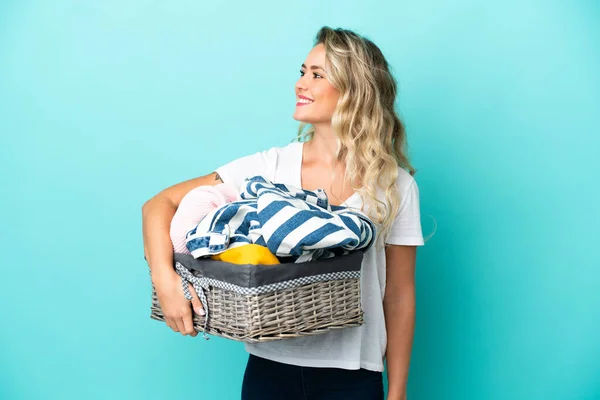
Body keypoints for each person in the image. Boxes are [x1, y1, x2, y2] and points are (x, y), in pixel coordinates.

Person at [142, 26, 424, 400]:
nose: (300, 84)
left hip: (354, 377)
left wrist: (398, 390)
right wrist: (166, 283)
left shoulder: (394, 185)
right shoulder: (269, 168)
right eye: (302, 71)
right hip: (270, 372)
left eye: (317, 74)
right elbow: (159, 204)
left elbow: (400, 295)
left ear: (355, 90)